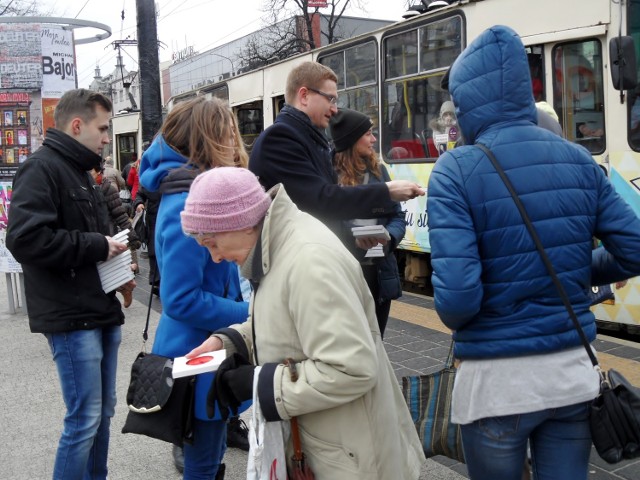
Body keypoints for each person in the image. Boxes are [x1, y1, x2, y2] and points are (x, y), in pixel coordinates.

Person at [427, 25, 640, 480]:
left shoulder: (455, 170)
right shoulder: (579, 159)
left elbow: (458, 303)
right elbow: (634, 250)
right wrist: (580, 272)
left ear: (467, 100)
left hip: (495, 386)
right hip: (569, 375)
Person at [183, 167, 425, 479]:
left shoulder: (308, 262)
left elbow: (351, 367)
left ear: (241, 224)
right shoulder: (279, 244)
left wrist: (258, 383)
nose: (215, 257)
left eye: (211, 242)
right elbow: (286, 316)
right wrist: (230, 341)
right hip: (335, 442)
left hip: (352, 457)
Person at [6, 88, 135, 480]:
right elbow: (26, 239)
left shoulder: (79, 170)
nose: (107, 137)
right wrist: (99, 245)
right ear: (77, 125)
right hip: (71, 315)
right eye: (102, 128)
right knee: (84, 418)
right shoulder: (41, 168)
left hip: (98, 309)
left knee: (101, 413)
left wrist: (119, 264)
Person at [139, 96, 250, 479]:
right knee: (203, 459)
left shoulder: (190, 193)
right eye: (228, 133)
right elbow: (181, 300)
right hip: (199, 358)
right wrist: (248, 314)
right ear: (208, 140)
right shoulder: (188, 204)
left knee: (209, 451)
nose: (236, 144)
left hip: (206, 352)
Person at [249, 61, 423, 242]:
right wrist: (386, 191)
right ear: (304, 96)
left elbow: (319, 212)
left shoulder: (306, 137)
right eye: (330, 99)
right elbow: (320, 202)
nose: (334, 109)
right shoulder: (280, 138)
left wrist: (354, 241)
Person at [330, 108, 405, 337]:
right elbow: (326, 219)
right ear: (352, 139)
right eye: (368, 134)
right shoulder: (329, 175)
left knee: (376, 343)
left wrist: (389, 237)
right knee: (351, 342)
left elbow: (397, 216)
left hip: (379, 271)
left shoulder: (379, 170)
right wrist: (355, 236)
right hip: (346, 271)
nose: (374, 139)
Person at [90, 164, 141, 306]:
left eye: (91, 170)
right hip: (92, 236)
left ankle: (125, 288)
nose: (88, 173)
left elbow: (120, 215)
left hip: (108, 234)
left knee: (110, 270)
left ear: (99, 172)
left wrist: (132, 237)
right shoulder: (84, 187)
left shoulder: (108, 189)